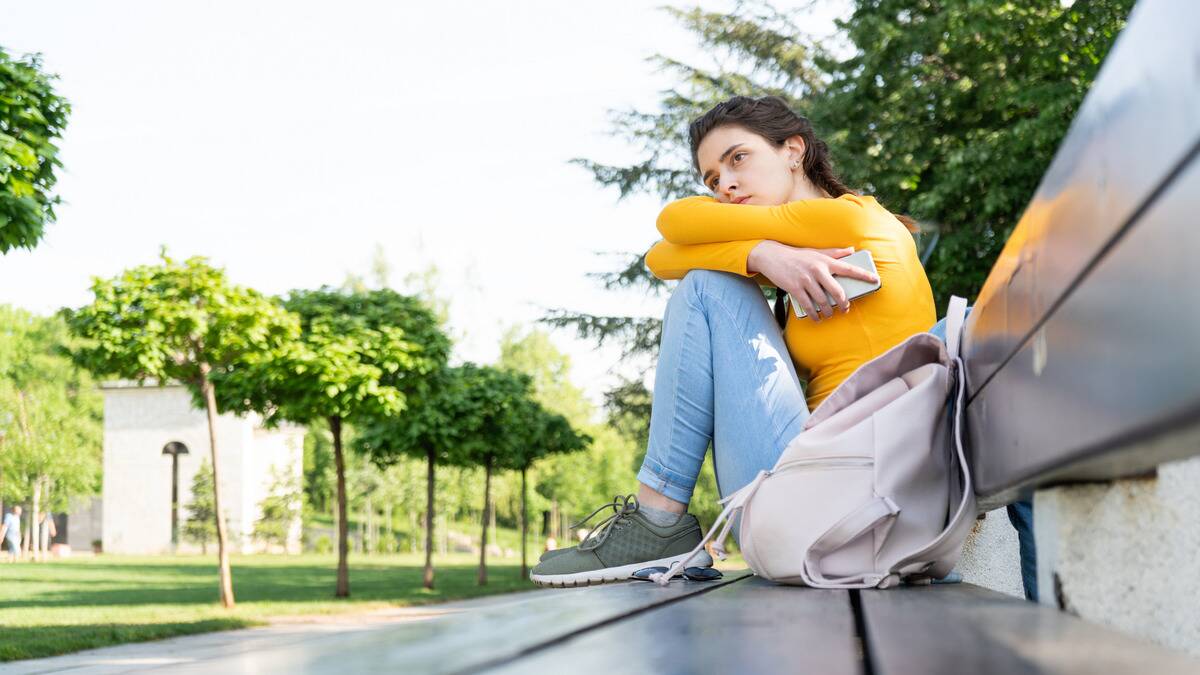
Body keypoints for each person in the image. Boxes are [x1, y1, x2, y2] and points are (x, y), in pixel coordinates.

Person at [530, 96, 1034, 593]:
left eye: (738, 158)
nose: (724, 184)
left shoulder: (855, 221)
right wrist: (762, 254)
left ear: (793, 151)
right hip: (828, 494)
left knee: (710, 287)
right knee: (710, 282)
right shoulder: (803, 265)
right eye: (710, 179)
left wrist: (759, 252)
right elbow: (660, 258)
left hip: (847, 499)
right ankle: (659, 523)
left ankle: (658, 517)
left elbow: (675, 225)